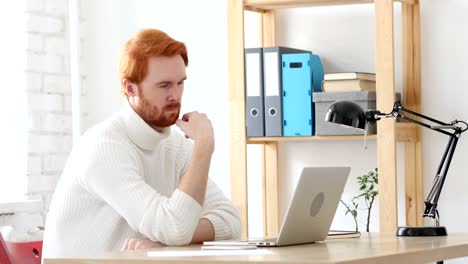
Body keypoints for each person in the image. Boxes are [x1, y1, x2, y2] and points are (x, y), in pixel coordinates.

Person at [42, 28, 241, 257]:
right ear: (130, 88)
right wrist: (204, 146)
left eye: (180, 83)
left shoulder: (175, 145)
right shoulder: (104, 147)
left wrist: (166, 241)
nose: (175, 95)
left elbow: (230, 221)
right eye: (164, 85)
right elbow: (175, 228)